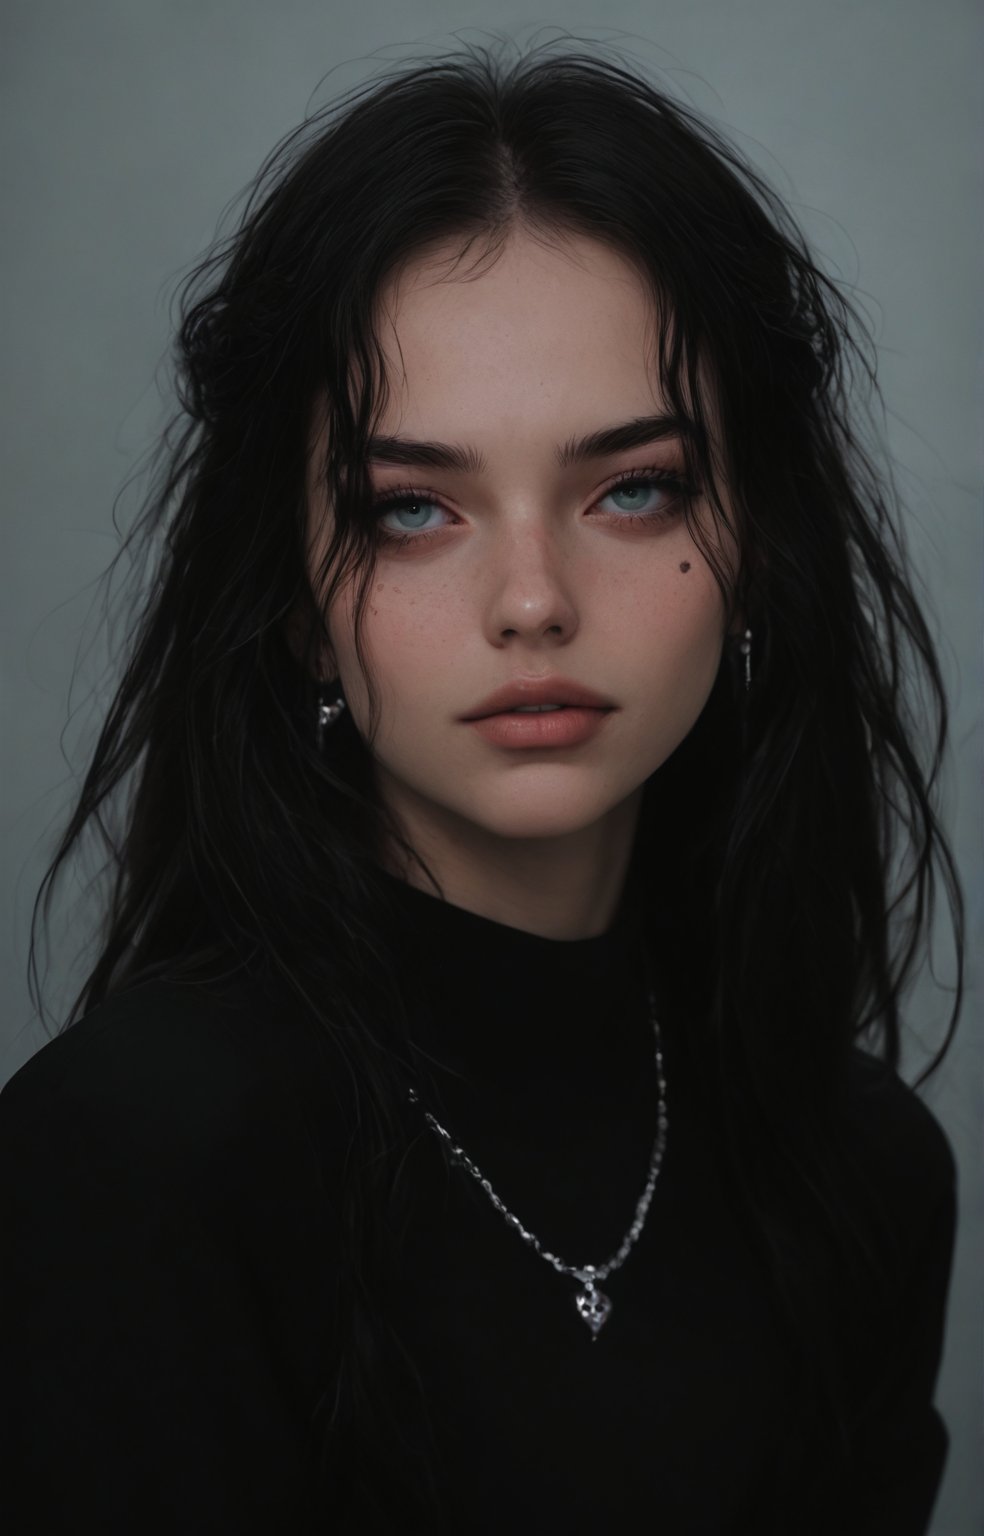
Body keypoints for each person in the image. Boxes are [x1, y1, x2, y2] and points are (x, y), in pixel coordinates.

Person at [0, 38, 964, 1536]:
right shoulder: (127, 1163)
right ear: (295, 588)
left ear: (756, 544)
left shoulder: (862, 1175)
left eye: (631, 488)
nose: (531, 599)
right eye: (413, 509)